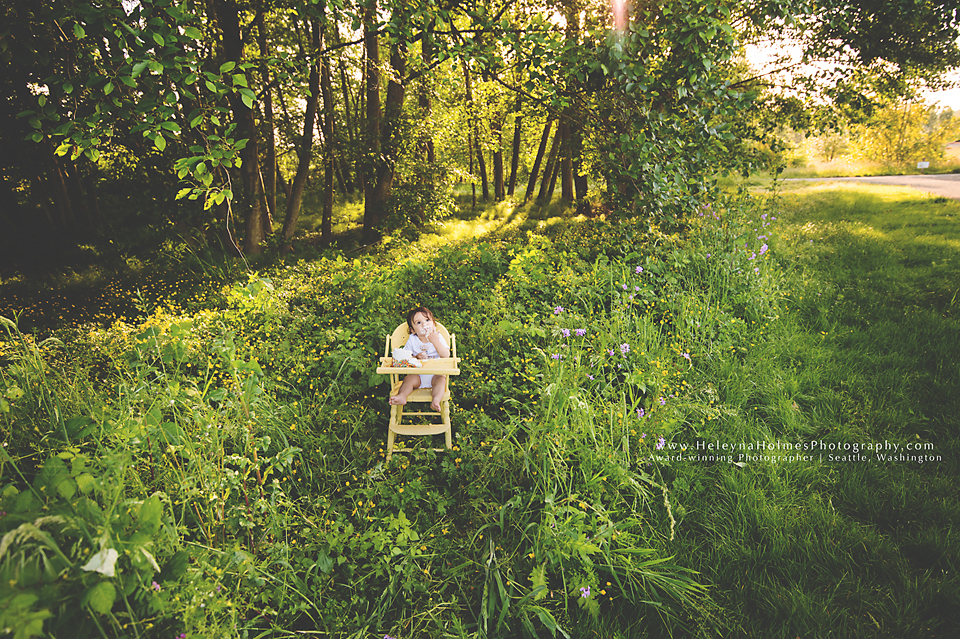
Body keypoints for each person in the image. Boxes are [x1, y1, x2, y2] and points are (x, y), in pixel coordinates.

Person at [389, 306, 450, 411]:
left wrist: (435, 341)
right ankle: (402, 396)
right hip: (418, 376)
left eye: (427, 320)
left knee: (441, 381)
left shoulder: (438, 337)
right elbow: (406, 357)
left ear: (433, 324)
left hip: (435, 374)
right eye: (418, 323)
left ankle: (436, 400)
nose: (424, 324)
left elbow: (446, 355)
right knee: (408, 380)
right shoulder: (412, 340)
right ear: (413, 330)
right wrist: (416, 357)